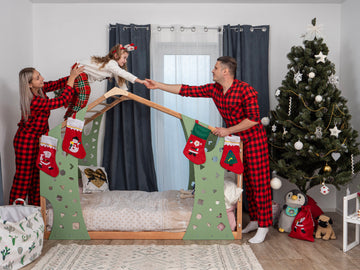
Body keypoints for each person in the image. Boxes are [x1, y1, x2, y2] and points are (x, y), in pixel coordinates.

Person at [144, 56, 272, 243]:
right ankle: (254, 220)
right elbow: (187, 90)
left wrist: (227, 130)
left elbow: (253, 119)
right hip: (235, 141)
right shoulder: (215, 90)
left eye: (216, 67)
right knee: (244, 182)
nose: (213, 70)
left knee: (258, 183)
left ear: (225, 72)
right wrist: (158, 85)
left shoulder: (245, 90)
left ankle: (264, 226)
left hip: (254, 141)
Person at [9, 64, 84, 206]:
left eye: (40, 75)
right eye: (38, 78)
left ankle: (36, 210)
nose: (42, 78)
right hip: (26, 141)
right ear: (30, 85)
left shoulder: (40, 89)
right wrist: (72, 79)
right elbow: (60, 101)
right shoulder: (33, 101)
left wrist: (76, 76)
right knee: (23, 179)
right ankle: (14, 213)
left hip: (38, 140)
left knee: (38, 177)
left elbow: (57, 83)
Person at [64, 43, 146, 119]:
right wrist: (140, 81)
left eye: (126, 59)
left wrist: (125, 92)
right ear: (116, 55)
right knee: (85, 91)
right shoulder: (111, 63)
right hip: (79, 69)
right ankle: (74, 116)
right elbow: (123, 73)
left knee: (79, 95)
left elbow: (120, 79)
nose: (125, 61)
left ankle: (69, 115)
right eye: (124, 58)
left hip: (82, 72)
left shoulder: (113, 66)